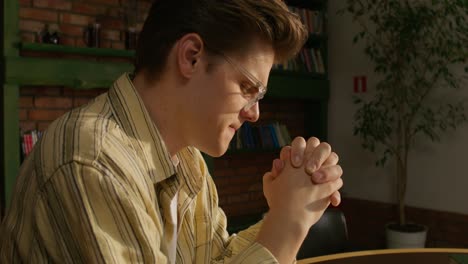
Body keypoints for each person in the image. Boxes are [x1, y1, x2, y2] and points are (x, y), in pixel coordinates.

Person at [0, 0, 343, 263]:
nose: (255, 113)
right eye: (247, 86)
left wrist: (291, 210)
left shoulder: (186, 159)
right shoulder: (93, 161)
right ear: (191, 57)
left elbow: (217, 257)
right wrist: (285, 225)